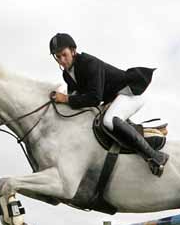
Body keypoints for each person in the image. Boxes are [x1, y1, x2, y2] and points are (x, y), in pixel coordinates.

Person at [48, 32, 168, 176]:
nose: (61, 60)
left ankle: (155, 157)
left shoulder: (88, 63)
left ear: (73, 51)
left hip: (132, 92)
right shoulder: (66, 74)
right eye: (58, 57)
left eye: (64, 54)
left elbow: (94, 98)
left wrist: (66, 99)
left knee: (108, 120)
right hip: (115, 99)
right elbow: (77, 99)